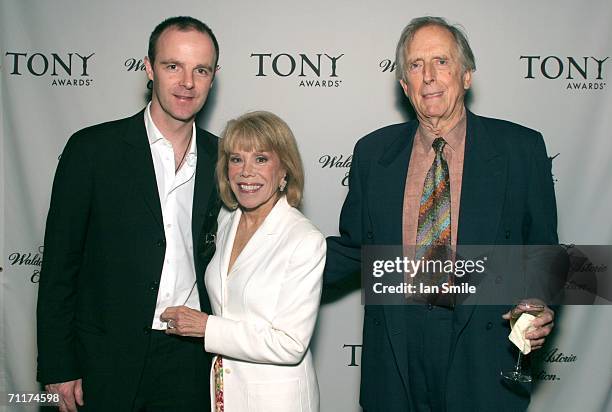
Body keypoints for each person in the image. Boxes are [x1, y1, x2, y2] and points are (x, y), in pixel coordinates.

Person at [324, 16, 560, 411]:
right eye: (416, 65)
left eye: (442, 62)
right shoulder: (372, 153)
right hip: (397, 350)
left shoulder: (522, 149)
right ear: (404, 85)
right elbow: (352, 249)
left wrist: (539, 302)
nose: (429, 76)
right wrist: (271, 256)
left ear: (466, 75)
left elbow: (543, 252)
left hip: (483, 350)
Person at [37, 16, 221, 412]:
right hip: (106, 357)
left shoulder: (224, 159)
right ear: (149, 68)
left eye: (200, 70)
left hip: (192, 360)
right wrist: (58, 363)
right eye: (173, 66)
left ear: (213, 76)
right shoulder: (93, 150)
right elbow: (59, 267)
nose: (187, 81)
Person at [162, 111, 325, 412]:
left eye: (261, 159)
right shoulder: (226, 221)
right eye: (236, 159)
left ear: (284, 171)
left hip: (276, 402)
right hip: (223, 394)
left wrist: (205, 327)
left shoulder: (304, 239)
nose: (246, 172)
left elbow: (290, 343)